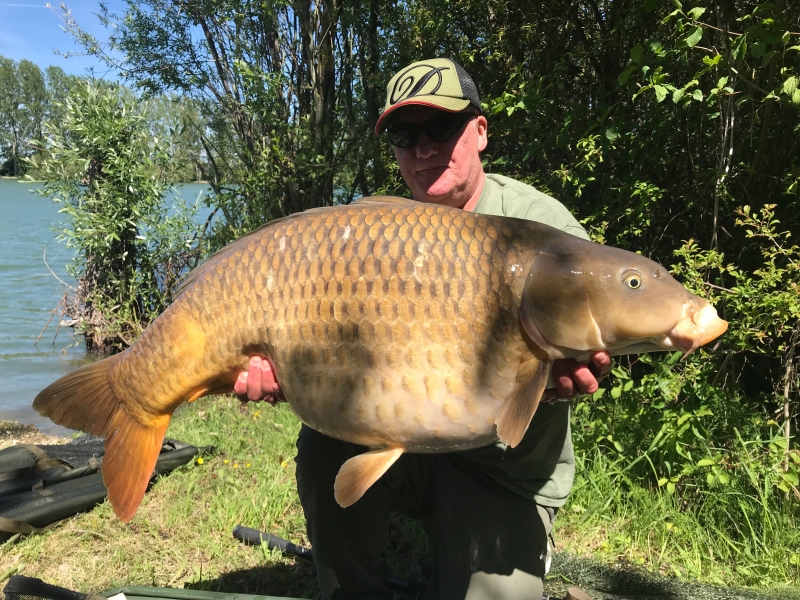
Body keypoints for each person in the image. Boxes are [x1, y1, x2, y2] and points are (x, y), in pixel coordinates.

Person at [234, 58, 611, 600]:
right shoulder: (375, 236)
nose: (423, 148)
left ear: (480, 132)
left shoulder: (540, 229)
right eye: (405, 136)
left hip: (501, 476)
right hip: (403, 451)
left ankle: (482, 541)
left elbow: (607, 325)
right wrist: (280, 370)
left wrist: (582, 368)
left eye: (440, 128)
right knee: (323, 445)